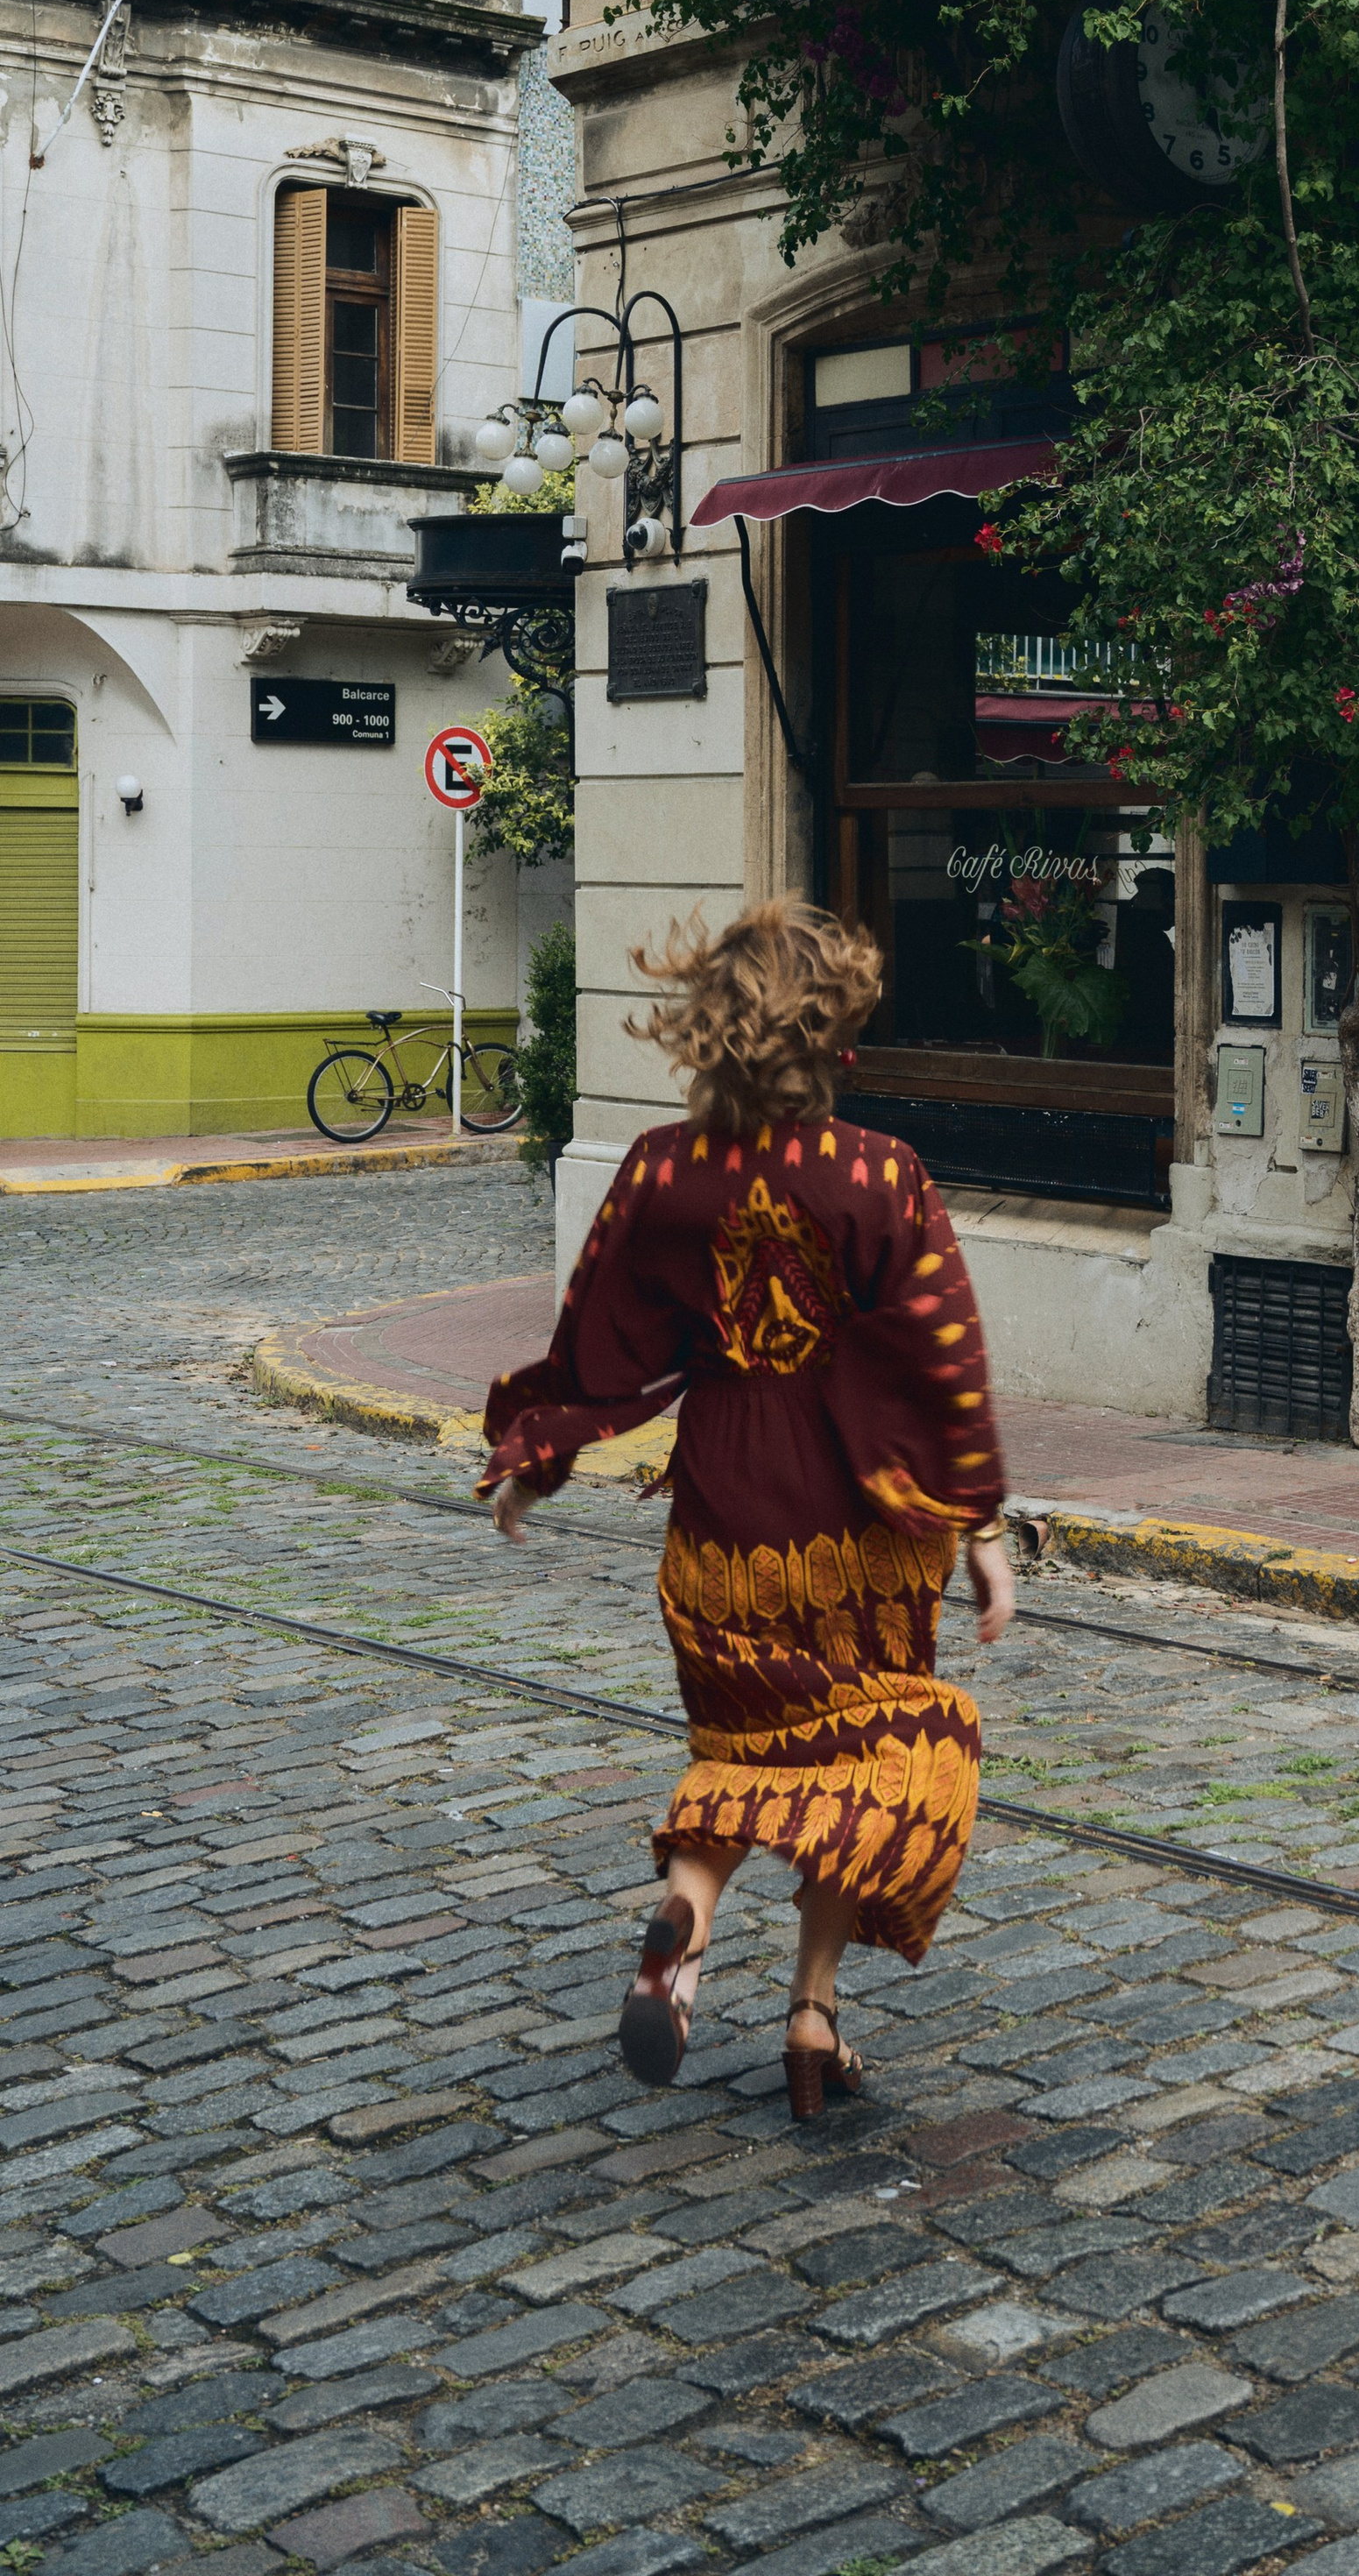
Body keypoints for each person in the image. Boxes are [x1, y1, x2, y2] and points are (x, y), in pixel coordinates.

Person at [475, 896, 1014, 2114]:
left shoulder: (660, 1171)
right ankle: (813, 2015)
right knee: (868, 1756)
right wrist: (980, 1526)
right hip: (857, 1528)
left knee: (746, 1749)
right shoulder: (882, 1176)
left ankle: (691, 1915)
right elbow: (945, 1360)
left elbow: (598, 1336)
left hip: (720, 1515)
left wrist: (538, 1449)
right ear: (833, 1036)